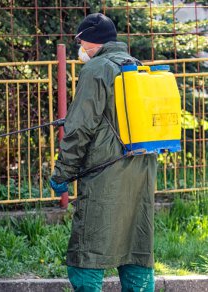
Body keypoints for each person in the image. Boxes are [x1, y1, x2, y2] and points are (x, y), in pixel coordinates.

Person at [49, 13, 157, 291]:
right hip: (141, 171)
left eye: (81, 41)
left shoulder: (96, 69)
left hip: (105, 173)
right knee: (136, 246)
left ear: (91, 41)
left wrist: (63, 173)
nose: (80, 47)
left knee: (86, 251)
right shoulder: (136, 65)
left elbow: (79, 129)